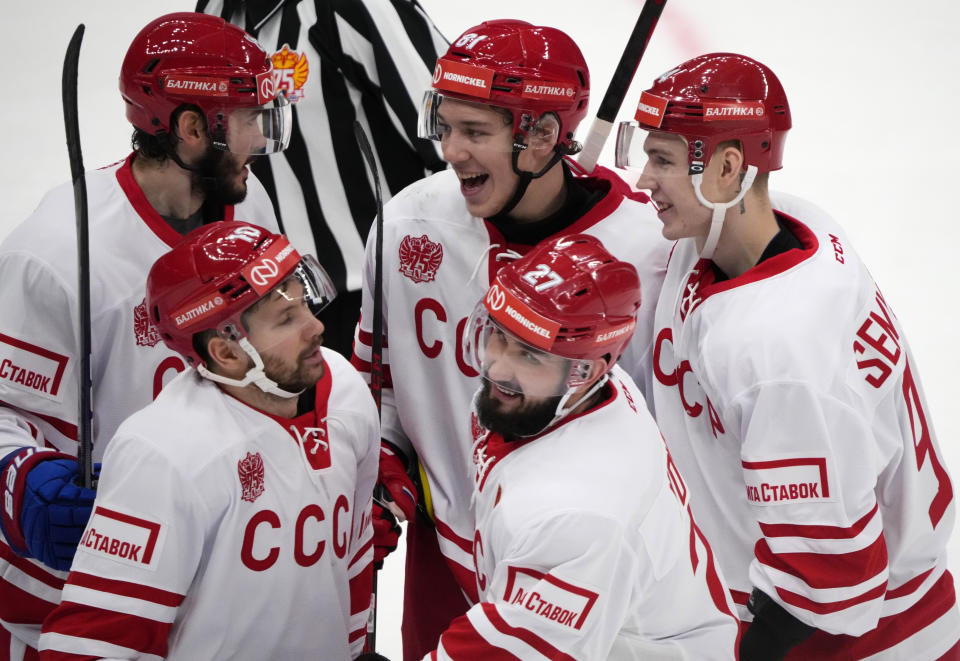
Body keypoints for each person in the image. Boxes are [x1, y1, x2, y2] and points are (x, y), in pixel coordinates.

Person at [616, 52, 960, 659]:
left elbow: (831, 577)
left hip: (862, 642)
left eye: (662, 160)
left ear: (727, 169)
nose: (644, 180)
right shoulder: (798, 225)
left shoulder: (780, 353)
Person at [349, 19, 671, 660]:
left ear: (544, 136)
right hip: (446, 561)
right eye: (445, 125)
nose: (451, 151)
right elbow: (378, 389)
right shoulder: (407, 221)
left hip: (589, 573)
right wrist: (383, 481)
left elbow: (673, 441)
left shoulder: (649, 250)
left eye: (475, 132)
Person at [0, 12, 289, 659]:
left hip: (207, 588)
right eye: (249, 119)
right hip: (80, 603)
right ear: (193, 129)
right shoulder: (55, 250)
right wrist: (23, 483)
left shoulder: (252, 211)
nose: (262, 140)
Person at [36, 221, 378, 660]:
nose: (316, 327)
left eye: (304, 302)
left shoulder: (344, 389)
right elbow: (91, 644)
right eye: (286, 319)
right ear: (227, 352)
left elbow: (351, 558)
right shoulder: (163, 454)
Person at [423, 234, 739, 659]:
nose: (496, 366)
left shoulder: (578, 515)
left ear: (586, 372)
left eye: (529, 356)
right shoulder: (596, 390)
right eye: (496, 335)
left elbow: (505, 652)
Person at [196, 0, 448, 357]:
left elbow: (454, 136)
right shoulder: (215, 13)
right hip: (268, 310)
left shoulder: (352, 7)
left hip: (380, 296)